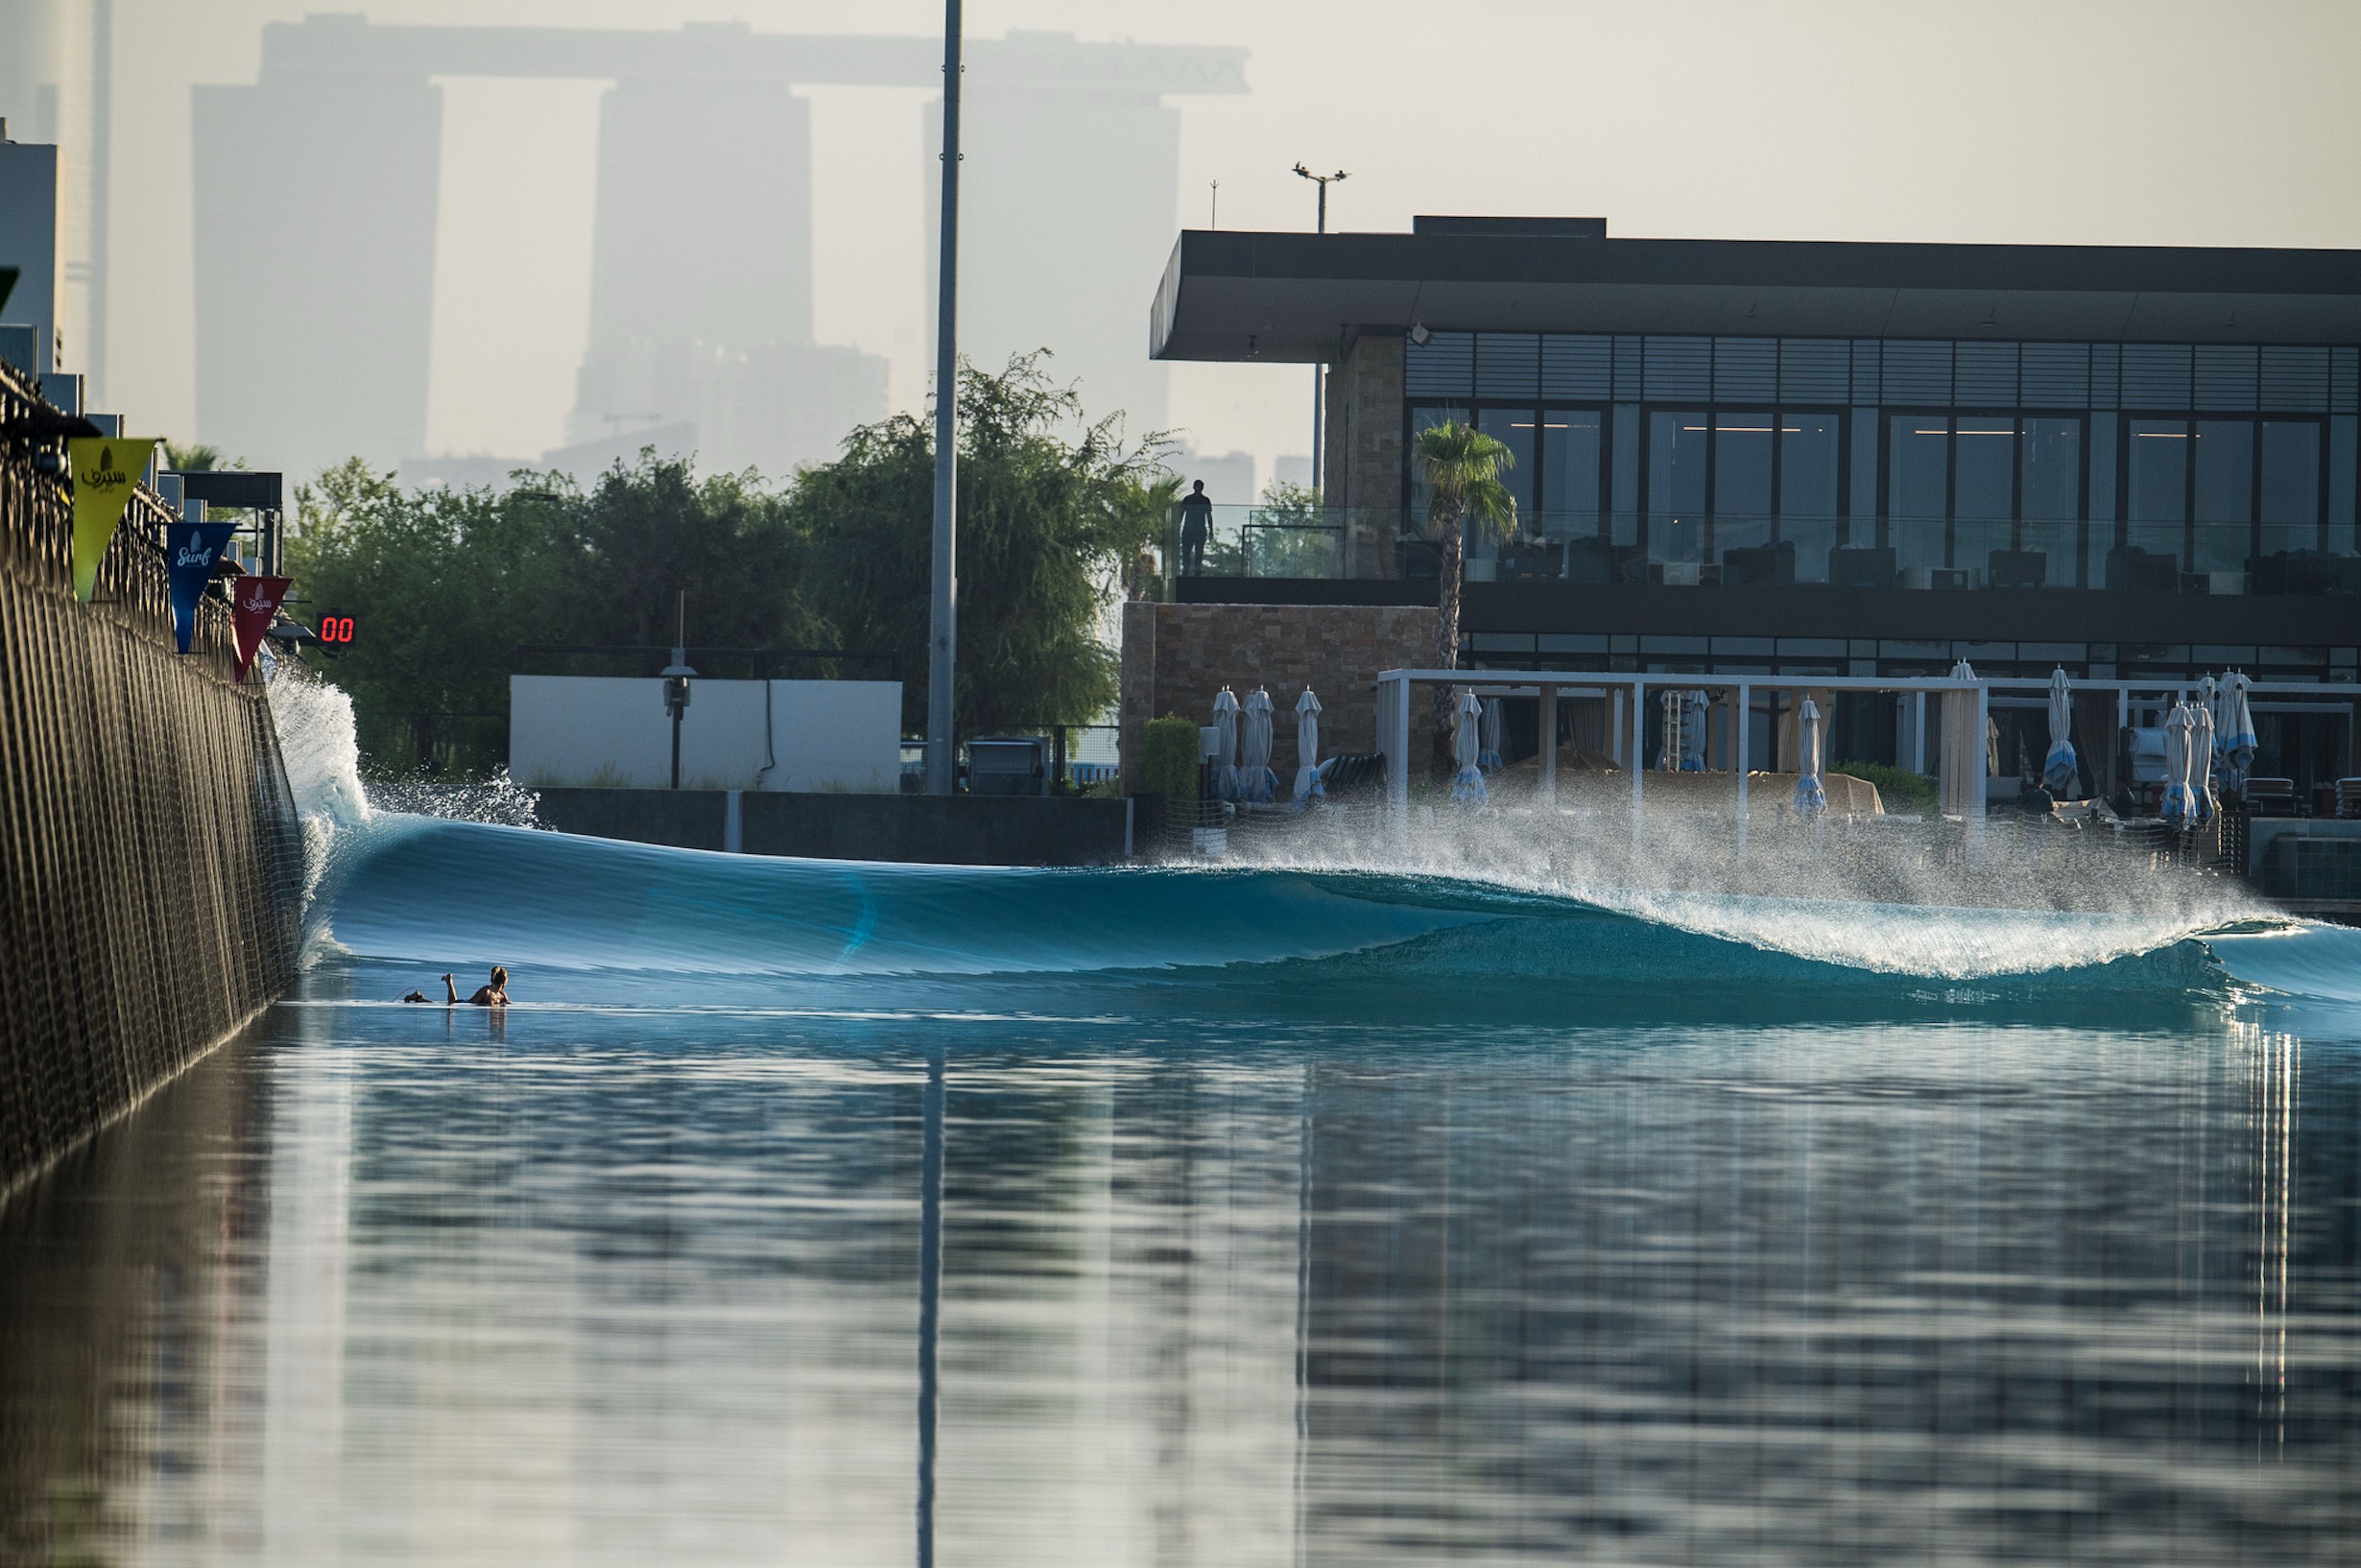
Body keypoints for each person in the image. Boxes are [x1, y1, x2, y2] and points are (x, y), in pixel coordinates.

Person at [1177, 479, 1214, 577]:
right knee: (1186, 552)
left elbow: (1208, 516)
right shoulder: (1188, 499)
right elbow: (1181, 513)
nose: (1199, 488)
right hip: (1188, 529)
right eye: (1198, 486)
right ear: (1194, 487)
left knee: (1199, 553)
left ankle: (1197, 571)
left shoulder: (1205, 500)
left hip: (1200, 530)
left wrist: (1211, 530)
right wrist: (1178, 526)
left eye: (1200, 487)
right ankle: (1185, 570)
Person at [441, 966, 511, 1007]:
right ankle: (449, 982)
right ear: (504, 980)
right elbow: (472, 1003)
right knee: (452, 1002)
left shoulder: (502, 994)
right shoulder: (486, 991)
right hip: (466, 1002)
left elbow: (508, 1003)